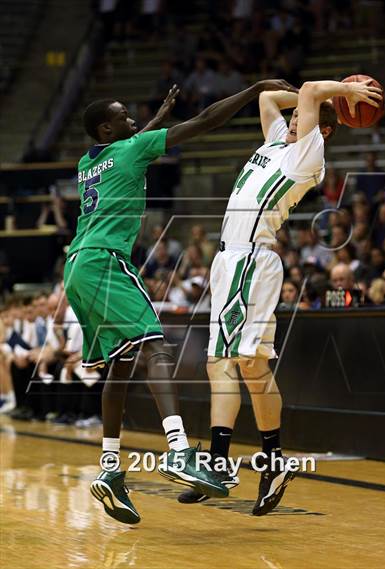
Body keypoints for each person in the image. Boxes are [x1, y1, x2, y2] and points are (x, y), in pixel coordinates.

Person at [63, 79, 291, 524]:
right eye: (124, 116)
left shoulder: (88, 160)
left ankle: (110, 471)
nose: (133, 119)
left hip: (76, 268)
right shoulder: (132, 148)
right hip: (106, 261)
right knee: (155, 346)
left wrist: (151, 124)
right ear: (108, 130)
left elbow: (126, 150)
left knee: (122, 366)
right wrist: (255, 90)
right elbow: (206, 121)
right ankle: (179, 451)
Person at [178, 78, 382, 514]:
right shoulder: (277, 141)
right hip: (229, 261)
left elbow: (309, 91)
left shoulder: (308, 154)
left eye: (300, 120)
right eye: (292, 119)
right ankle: (253, 463)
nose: (292, 121)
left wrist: (334, 95)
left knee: (237, 363)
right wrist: (293, 96)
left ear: (321, 130)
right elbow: (269, 97)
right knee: (240, 366)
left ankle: (239, 461)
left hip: (252, 260)